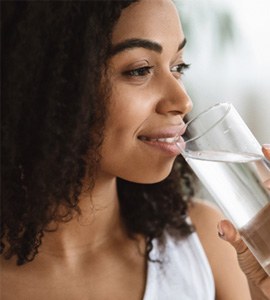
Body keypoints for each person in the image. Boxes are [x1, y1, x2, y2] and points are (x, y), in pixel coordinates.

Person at [1, 1, 269, 299]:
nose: (183, 101)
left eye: (178, 67)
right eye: (140, 70)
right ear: (51, 84)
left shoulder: (209, 240)